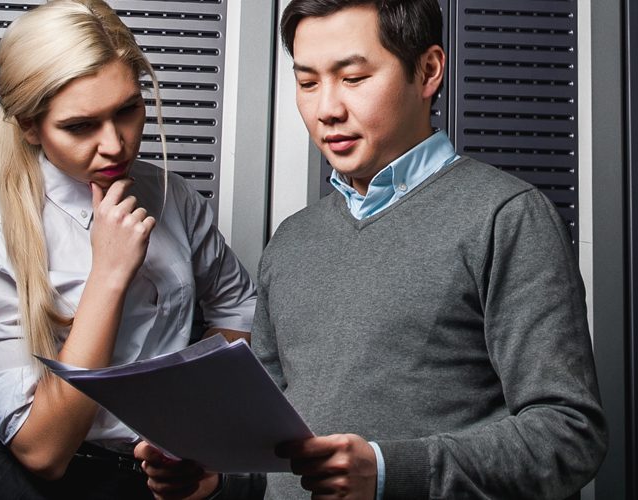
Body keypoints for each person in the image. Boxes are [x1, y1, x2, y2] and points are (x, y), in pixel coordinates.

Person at [248, 0, 608, 498]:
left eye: (352, 78)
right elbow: (263, 449)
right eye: (308, 83)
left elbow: (570, 437)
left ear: (429, 70)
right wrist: (213, 482)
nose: (326, 108)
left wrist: (389, 471)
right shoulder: (290, 240)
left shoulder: (506, 216)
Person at [0, 0, 256, 498]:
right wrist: (109, 273)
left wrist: (188, 417)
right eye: (81, 126)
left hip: (153, 483)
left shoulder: (174, 197)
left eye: (128, 110)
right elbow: (41, 452)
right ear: (29, 126)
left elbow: (238, 304)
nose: (115, 144)